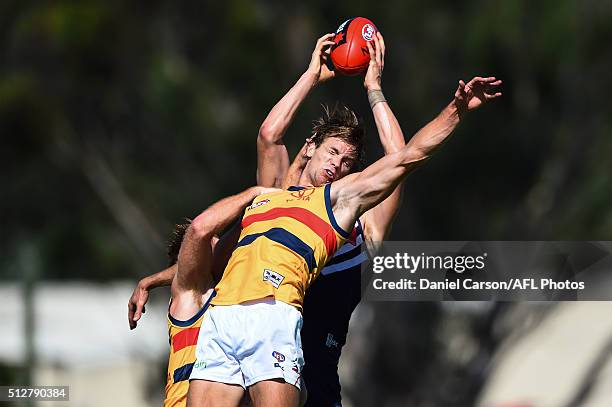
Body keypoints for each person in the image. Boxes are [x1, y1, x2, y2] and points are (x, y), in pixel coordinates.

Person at [187, 31, 502, 407]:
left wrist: (375, 88)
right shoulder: (273, 198)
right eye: (333, 152)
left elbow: (401, 157)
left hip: (312, 373)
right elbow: (270, 136)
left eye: (349, 162)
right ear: (310, 148)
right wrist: (311, 76)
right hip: (243, 345)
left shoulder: (357, 221)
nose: (338, 165)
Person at [128, 186, 277, 407]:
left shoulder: (229, 292)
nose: (225, 251)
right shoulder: (192, 296)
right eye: (215, 245)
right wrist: (255, 193)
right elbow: (199, 232)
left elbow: (268, 201)